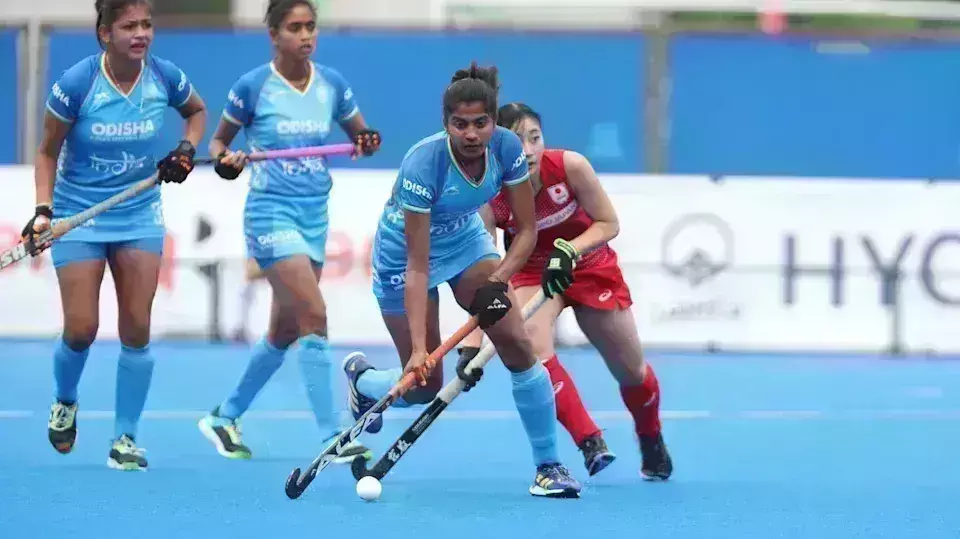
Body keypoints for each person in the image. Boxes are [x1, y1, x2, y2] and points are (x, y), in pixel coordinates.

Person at [342, 63, 582, 499]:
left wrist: (498, 280)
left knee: (517, 342)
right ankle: (364, 382)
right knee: (422, 386)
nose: (471, 134)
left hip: (465, 242)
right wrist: (420, 351)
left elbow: (526, 231)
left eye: (480, 123)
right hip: (403, 256)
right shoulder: (423, 164)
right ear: (445, 123)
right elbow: (418, 266)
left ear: (493, 121)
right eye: (460, 124)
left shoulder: (506, 148)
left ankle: (549, 467)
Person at [197, 0, 382, 464]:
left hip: (314, 215)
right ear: (274, 35)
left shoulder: (332, 84)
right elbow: (218, 143)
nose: (305, 36)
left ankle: (224, 416)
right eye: (295, 28)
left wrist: (366, 140)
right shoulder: (253, 87)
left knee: (283, 331)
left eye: (311, 27)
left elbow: (360, 135)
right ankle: (332, 436)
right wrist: (226, 160)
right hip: (270, 214)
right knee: (314, 315)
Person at [26, 0, 206, 471]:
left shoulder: (164, 76)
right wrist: (43, 211)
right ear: (105, 33)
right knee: (81, 328)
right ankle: (65, 400)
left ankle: (125, 437)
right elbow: (46, 151)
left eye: (146, 24)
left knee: (137, 328)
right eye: (129, 26)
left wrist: (186, 149)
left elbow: (196, 112)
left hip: (139, 214)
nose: (140, 33)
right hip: (79, 215)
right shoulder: (77, 83)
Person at [462, 102, 672, 481]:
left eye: (535, 138)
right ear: (497, 147)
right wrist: (471, 343)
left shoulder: (570, 166)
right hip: (531, 270)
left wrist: (569, 250)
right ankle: (589, 441)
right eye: (518, 141)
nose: (528, 150)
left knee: (631, 371)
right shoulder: (489, 195)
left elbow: (608, 223)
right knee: (532, 347)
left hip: (589, 265)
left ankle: (650, 435)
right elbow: (484, 273)